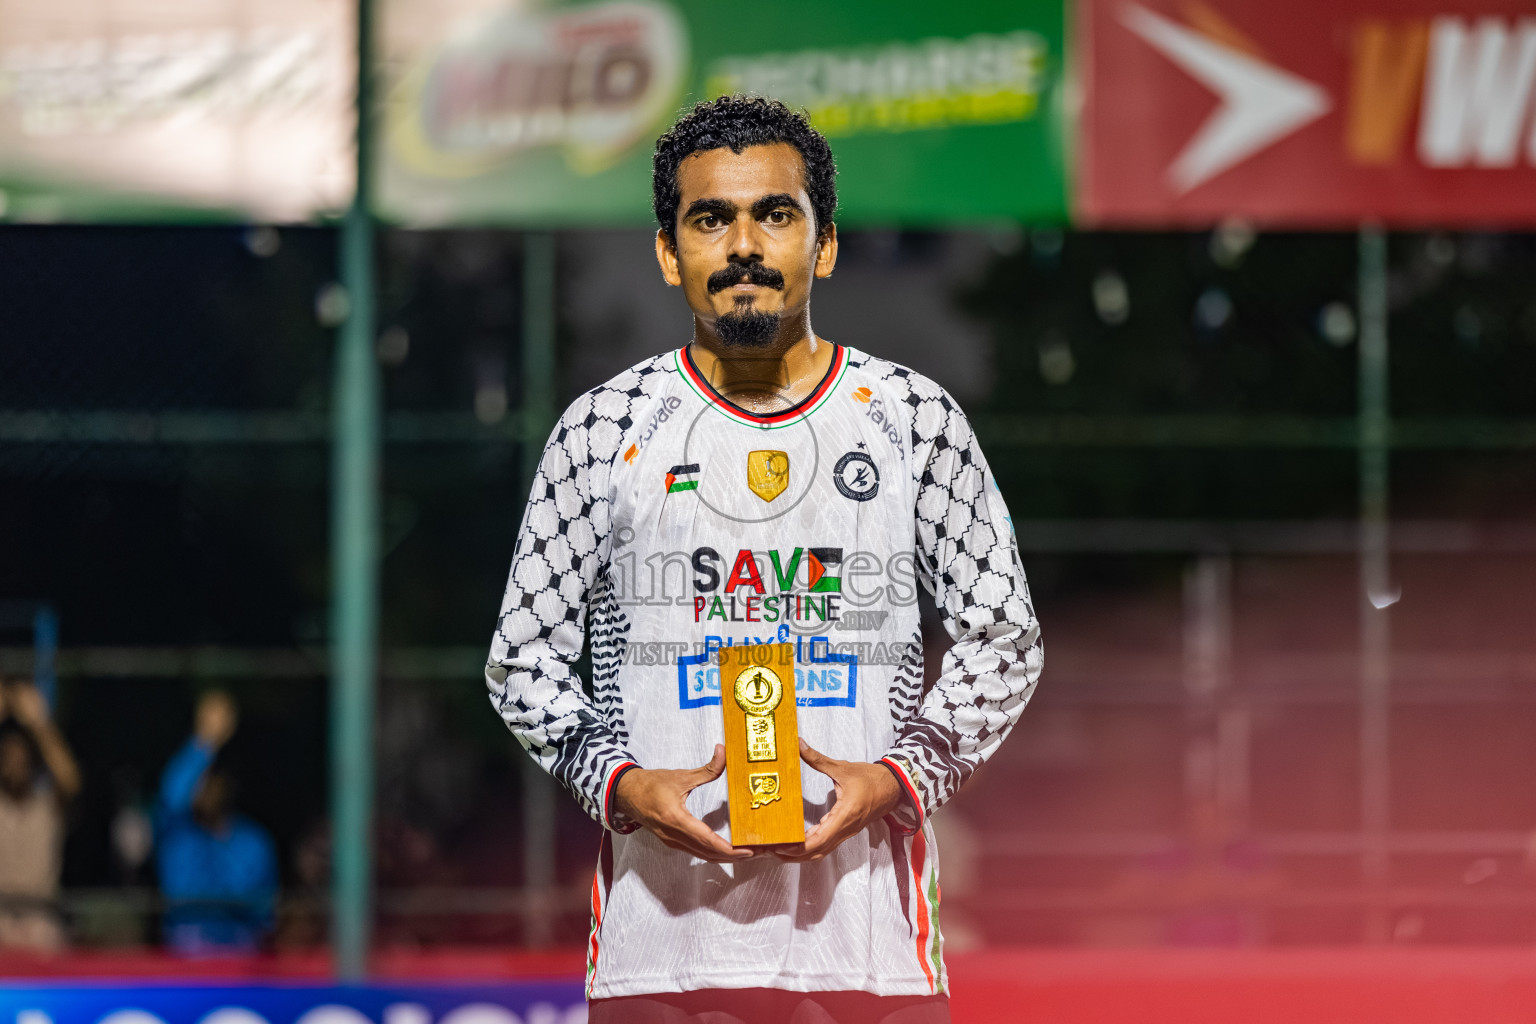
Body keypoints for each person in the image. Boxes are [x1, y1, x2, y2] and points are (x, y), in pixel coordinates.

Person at [486, 97, 1042, 1023]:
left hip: (874, 953)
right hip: (662, 951)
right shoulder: (603, 431)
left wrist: (902, 777)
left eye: (774, 214)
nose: (743, 243)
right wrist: (621, 785)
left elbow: (1004, 638)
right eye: (712, 218)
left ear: (823, 245)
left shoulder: (912, 420)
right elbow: (521, 659)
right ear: (670, 253)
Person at [156, 690, 276, 954]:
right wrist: (205, 742)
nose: (206, 786)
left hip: (240, 953)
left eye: (214, 777)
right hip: (186, 949)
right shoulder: (178, 832)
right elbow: (172, 794)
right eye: (202, 777)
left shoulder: (254, 842)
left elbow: (262, 915)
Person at [0, 677, 81, 951]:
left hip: (41, 917)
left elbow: (70, 779)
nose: (14, 764)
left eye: (20, 757)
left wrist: (40, 723)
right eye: (7, 758)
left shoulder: (46, 804)